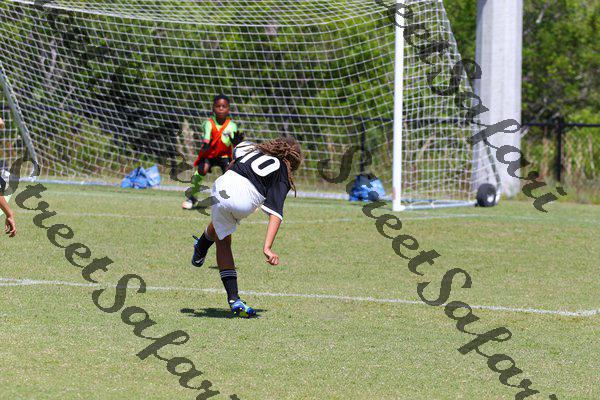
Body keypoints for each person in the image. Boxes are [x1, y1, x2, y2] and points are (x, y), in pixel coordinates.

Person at [190, 136, 302, 317]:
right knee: (223, 237)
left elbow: (236, 154)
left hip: (221, 185)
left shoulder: (254, 149)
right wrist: (267, 247)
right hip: (243, 200)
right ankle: (234, 300)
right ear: (293, 160)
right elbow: (275, 213)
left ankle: (202, 246)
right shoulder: (282, 170)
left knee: (222, 231)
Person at [182, 94, 240, 210]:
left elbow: (235, 143)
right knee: (202, 169)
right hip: (210, 154)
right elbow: (207, 138)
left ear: (228, 108)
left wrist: (236, 142)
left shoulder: (232, 126)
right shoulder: (208, 123)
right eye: (218, 106)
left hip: (224, 155)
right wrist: (206, 144)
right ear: (213, 108)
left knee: (231, 174)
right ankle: (192, 198)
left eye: (224, 106)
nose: (221, 109)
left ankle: (237, 200)